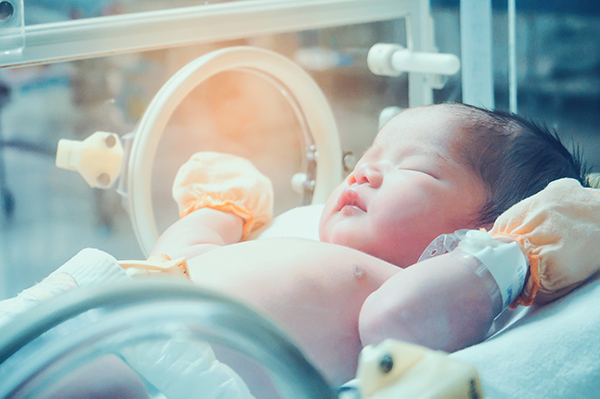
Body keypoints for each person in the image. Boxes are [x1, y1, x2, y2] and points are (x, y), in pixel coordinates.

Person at [149, 102, 588, 385]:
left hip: (166, 370)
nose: (362, 174)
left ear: (480, 235)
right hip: (124, 294)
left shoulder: (407, 291)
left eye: (414, 169)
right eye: (363, 160)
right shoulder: (294, 249)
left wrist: (518, 250)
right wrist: (222, 207)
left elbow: (395, 320)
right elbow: (179, 258)